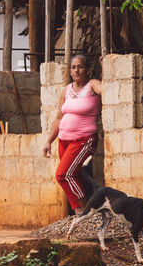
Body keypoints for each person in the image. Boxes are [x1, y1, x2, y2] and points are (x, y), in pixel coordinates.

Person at [42, 53, 101, 213]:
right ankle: (81, 214)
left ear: (87, 69)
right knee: (74, 176)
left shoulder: (92, 86)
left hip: (84, 139)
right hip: (64, 140)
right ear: (70, 71)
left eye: (80, 67)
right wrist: (49, 141)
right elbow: (59, 118)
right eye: (73, 67)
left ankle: (84, 210)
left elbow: (107, 89)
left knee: (63, 175)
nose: (76, 70)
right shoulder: (66, 90)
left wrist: (107, 70)